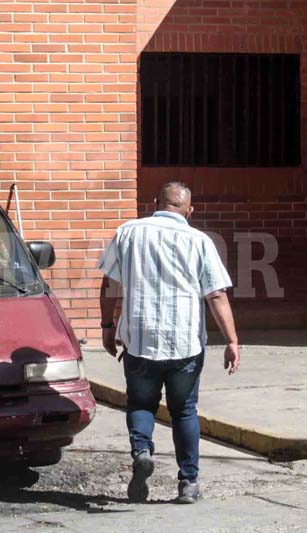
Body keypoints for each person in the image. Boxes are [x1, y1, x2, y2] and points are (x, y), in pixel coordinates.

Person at [97, 181, 240, 504]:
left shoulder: (128, 232)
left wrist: (108, 326)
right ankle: (188, 482)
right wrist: (232, 340)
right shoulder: (199, 240)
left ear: (155, 203)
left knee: (141, 404)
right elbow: (215, 293)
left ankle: (142, 451)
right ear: (190, 210)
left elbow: (110, 284)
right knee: (184, 411)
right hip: (185, 342)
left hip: (140, 339)